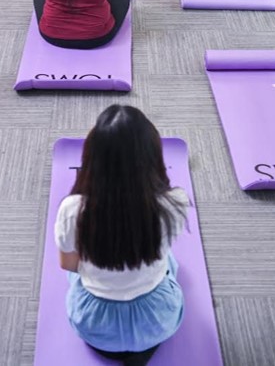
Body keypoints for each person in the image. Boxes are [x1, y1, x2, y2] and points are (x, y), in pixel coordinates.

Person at [56, 105, 188, 366]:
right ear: (152, 157)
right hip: (156, 323)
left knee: (75, 273)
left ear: (93, 159)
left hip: (95, 327)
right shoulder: (174, 203)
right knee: (169, 262)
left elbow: (68, 264)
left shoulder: (73, 209)